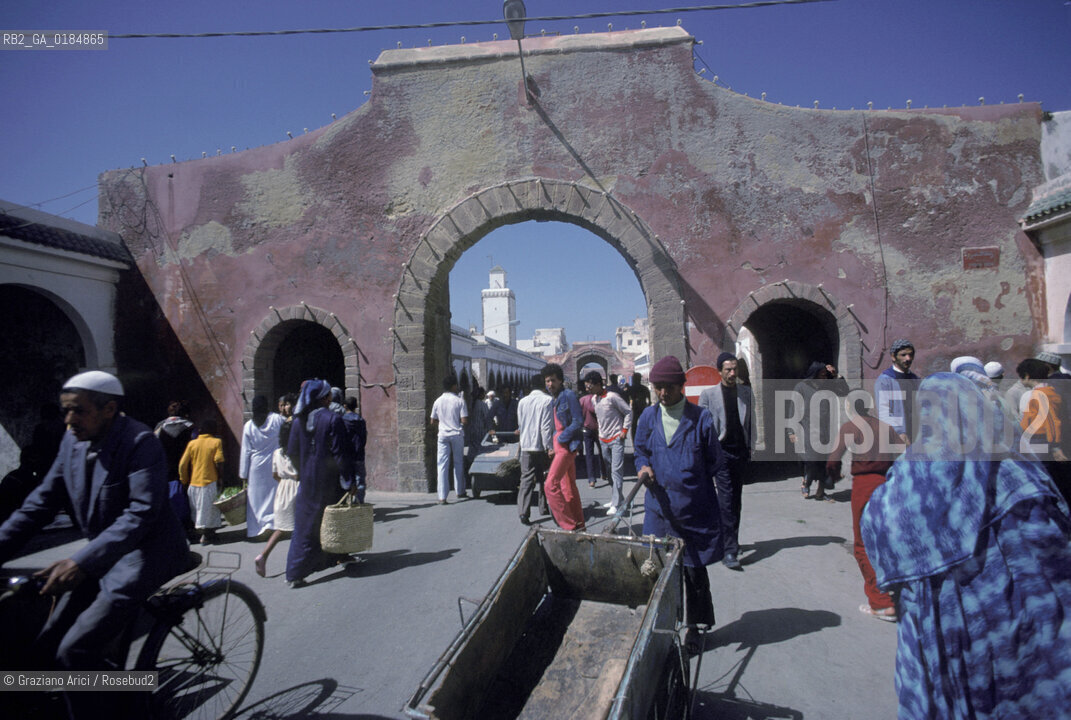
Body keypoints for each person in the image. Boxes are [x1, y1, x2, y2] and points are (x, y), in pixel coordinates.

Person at [861, 372, 1071, 718]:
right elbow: (1054, 560)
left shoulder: (902, 484)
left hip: (937, 636)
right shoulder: (1014, 473)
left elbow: (875, 532)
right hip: (1013, 633)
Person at [0, 371, 188, 718]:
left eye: (79, 411)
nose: (69, 420)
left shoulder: (140, 442)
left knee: (74, 650)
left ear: (109, 409)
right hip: (103, 552)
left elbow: (140, 514)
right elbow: (40, 504)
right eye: (65, 410)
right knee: (43, 646)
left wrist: (82, 562)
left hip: (144, 554)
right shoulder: (72, 441)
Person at [634, 355, 727, 655]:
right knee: (658, 571)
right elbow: (640, 451)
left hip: (694, 511)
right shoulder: (648, 417)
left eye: (668, 387)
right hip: (659, 511)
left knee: (694, 572)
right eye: (658, 388)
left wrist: (721, 504)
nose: (663, 393)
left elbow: (716, 464)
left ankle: (696, 628)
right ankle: (661, 624)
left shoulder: (701, 419)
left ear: (682, 386)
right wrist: (643, 466)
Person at [826, 397, 903, 621]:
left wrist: (832, 477)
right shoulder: (885, 427)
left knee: (862, 543)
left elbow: (833, 459)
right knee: (886, 539)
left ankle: (881, 602)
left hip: (863, 487)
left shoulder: (850, 427)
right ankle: (895, 591)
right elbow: (903, 452)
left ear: (850, 408)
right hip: (887, 484)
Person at [286, 379, 351, 587]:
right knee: (333, 521)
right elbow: (341, 454)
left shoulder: (297, 422)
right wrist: (348, 480)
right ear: (326, 397)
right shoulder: (333, 419)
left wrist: (303, 470)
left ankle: (295, 572)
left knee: (306, 525)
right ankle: (336, 556)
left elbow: (293, 452)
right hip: (329, 481)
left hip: (307, 480)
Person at [698, 352, 753, 570]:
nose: (732, 373)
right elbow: (703, 429)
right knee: (726, 500)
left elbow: (751, 423)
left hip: (740, 452)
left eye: (735, 369)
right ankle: (728, 551)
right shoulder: (708, 395)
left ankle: (732, 540)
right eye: (728, 370)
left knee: (736, 500)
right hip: (720, 453)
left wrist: (751, 447)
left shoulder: (746, 393)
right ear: (720, 371)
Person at [791, 361, 847, 501]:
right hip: (808, 429)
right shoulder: (802, 387)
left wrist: (836, 375)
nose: (824, 378)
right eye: (821, 375)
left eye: (825, 375)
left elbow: (844, 391)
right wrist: (791, 431)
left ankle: (820, 492)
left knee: (825, 461)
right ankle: (807, 481)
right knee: (812, 460)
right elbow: (794, 410)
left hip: (827, 429)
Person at [542, 363, 586, 531]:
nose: (550, 384)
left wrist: (561, 438)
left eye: (553, 380)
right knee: (568, 488)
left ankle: (569, 526)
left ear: (560, 380)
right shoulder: (556, 399)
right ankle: (580, 525)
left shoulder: (568, 396)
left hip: (566, 447)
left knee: (550, 485)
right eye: (547, 381)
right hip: (560, 446)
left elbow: (577, 422)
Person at [254, 419, 299, 577]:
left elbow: (275, 475)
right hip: (296, 488)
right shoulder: (297, 452)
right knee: (300, 527)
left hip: (282, 491)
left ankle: (263, 555)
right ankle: (296, 564)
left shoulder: (277, 453)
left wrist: (284, 483)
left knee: (281, 528)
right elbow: (300, 474)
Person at [585, 371, 632, 515]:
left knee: (616, 471)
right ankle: (616, 499)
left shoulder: (612, 397)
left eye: (590, 386)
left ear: (599, 384)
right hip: (603, 440)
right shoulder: (594, 399)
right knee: (610, 471)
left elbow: (628, 412)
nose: (588, 389)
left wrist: (624, 430)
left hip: (617, 439)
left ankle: (617, 505)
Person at [239, 395, 284, 538]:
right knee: (273, 495)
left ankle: (256, 529)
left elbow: (245, 451)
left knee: (256, 498)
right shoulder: (277, 419)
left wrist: (243, 474)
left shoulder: (248, 426)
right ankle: (273, 525)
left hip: (256, 466)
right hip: (274, 464)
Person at [178, 417, 225, 544]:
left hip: (194, 483)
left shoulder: (192, 444)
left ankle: (203, 534)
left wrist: (184, 480)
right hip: (210, 482)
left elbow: (182, 464)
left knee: (198, 510)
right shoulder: (216, 442)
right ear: (212, 430)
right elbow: (219, 461)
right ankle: (208, 535)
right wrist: (221, 478)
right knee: (211, 510)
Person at [516, 373, 554, 525]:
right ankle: (543, 506)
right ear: (543, 385)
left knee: (526, 478)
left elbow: (521, 423)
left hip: (526, 445)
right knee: (544, 477)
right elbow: (546, 427)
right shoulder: (547, 401)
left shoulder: (522, 402)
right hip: (541, 446)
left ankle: (523, 512)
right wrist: (549, 447)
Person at [154, 400, 195, 536]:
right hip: (185, 468)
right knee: (186, 497)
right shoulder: (189, 427)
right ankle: (186, 526)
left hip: (163, 468)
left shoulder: (159, 427)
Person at [430, 375, 468, 504]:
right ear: (453, 386)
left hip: (442, 435)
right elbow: (464, 420)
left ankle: (442, 496)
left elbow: (432, 420)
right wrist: (457, 424)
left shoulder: (437, 401)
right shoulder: (459, 400)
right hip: (456, 434)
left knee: (442, 465)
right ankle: (459, 491)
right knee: (458, 463)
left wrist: (443, 424)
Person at [874, 338, 920, 446]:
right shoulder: (885, 380)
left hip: (917, 434)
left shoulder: (915, 380)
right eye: (903, 355)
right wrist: (898, 432)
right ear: (893, 357)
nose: (908, 358)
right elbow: (884, 409)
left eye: (910, 354)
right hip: (898, 436)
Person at [578, 383, 605, 488]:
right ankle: (604, 473)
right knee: (602, 452)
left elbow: (580, 415)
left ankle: (591, 479)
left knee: (589, 455)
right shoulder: (597, 399)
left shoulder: (582, 400)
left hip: (586, 429)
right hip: (598, 429)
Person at [341, 396, 368, 504]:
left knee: (347, 479)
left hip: (347, 455)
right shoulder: (361, 420)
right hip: (359, 454)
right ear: (356, 406)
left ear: (344, 406)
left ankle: (347, 503)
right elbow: (364, 437)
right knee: (360, 480)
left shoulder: (342, 420)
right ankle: (359, 502)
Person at [629, 371, 650, 442]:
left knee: (634, 426)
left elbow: (625, 399)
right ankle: (645, 440)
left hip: (635, 409)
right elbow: (649, 401)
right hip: (643, 407)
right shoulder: (644, 388)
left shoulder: (631, 388)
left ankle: (634, 443)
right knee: (645, 425)